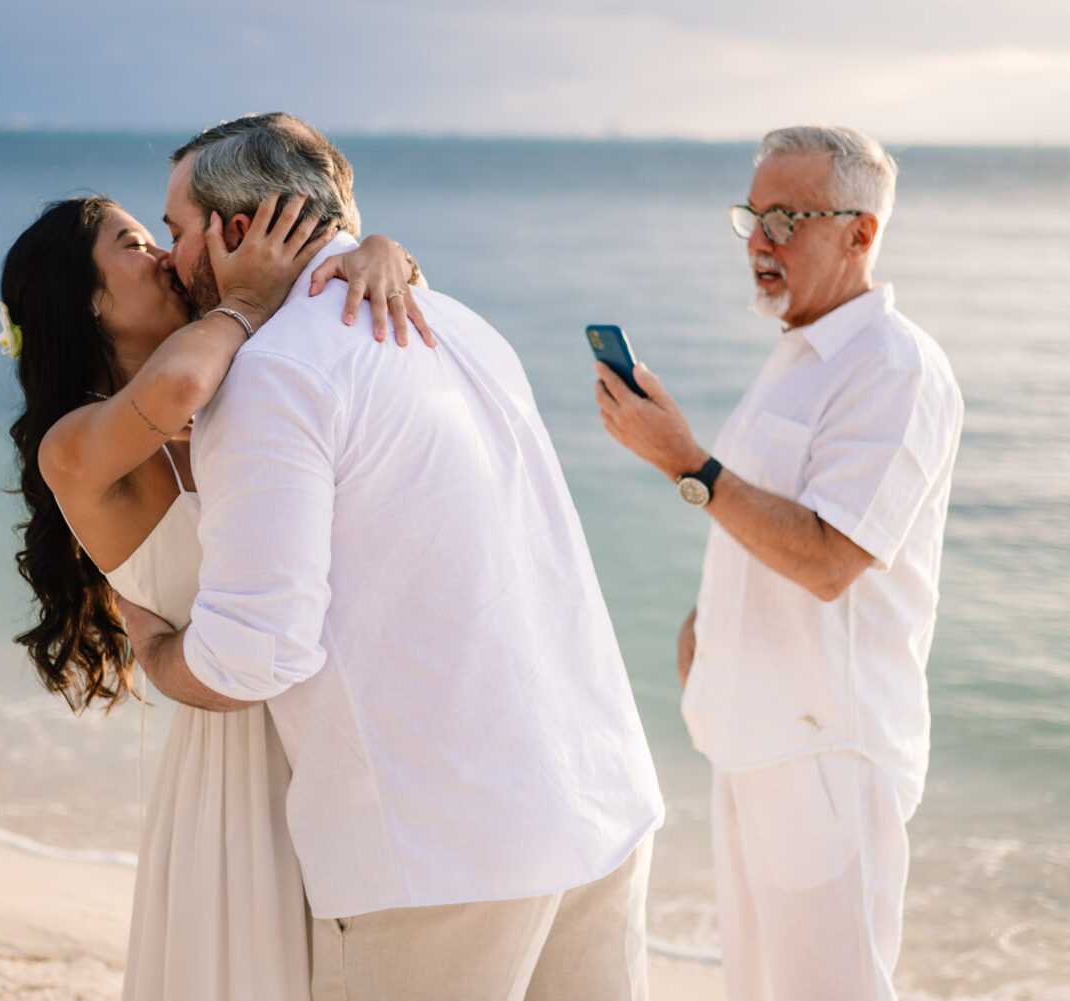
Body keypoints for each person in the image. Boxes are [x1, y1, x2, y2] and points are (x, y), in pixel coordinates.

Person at [117, 112, 664, 1001]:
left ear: (238, 229)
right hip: (596, 798)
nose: (173, 260)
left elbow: (254, 653)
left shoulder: (274, 375)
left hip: (442, 852)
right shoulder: (459, 323)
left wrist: (152, 649)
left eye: (177, 232)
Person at [0, 191, 429, 1001]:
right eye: (132, 243)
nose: (163, 254)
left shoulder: (242, 387)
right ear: (84, 300)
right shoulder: (77, 444)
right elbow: (180, 382)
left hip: (342, 731)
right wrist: (246, 299)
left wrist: (379, 250)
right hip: (238, 767)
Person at [594, 125, 963, 1001]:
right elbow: (757, 526)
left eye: (786, 218)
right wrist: (704, 633)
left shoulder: (894, 367)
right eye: (752, 217)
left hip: (828, 749)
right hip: (752, 737)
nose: (759, 242)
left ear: (861, 233)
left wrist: (685, 460)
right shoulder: (799, 354)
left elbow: (833, 556)